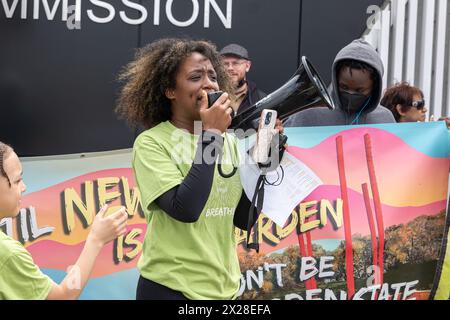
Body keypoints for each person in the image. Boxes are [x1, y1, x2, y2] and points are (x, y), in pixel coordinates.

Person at [115, 38, 281, 300]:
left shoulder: (229, 142)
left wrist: (265, 158)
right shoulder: (151, 143)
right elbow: (186, 209)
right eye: (195, 77)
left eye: (213, 77)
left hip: (223, 290)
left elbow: (243, 219)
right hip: (171, 289)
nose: (209, 84)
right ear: (170, 90)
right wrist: (212, 133)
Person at [0, 141, 128, 300]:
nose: (24, 187)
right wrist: (96, 240)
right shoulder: (7, 253)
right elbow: (63, 297)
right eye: (17, 181)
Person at [286, 39, 395, 127]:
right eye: (344, 87)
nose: (350, 94)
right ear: (335, 79)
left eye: (359, 90)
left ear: (374, 87)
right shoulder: (307, 114)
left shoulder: (385, 120)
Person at [220, 43, 266, 114]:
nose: (230, 68)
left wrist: (276, 125)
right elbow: (197, 122)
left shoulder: (261, 99)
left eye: (235, 63)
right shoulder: (210, 98)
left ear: (247, 66)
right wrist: (202, 125)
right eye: (225, 64)